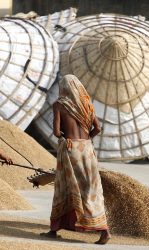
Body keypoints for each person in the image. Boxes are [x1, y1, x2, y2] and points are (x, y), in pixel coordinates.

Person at [40, 74, 111, 244]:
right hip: (87, 149)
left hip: (71, 150)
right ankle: (104, 231)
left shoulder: (59, 104)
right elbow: (98, 128)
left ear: (64, 88)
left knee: (65, 189)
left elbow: (57, 133)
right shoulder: (87, 103)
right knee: (91, 191)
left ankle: (54, 228)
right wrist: (86, 140)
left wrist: (68, 138)